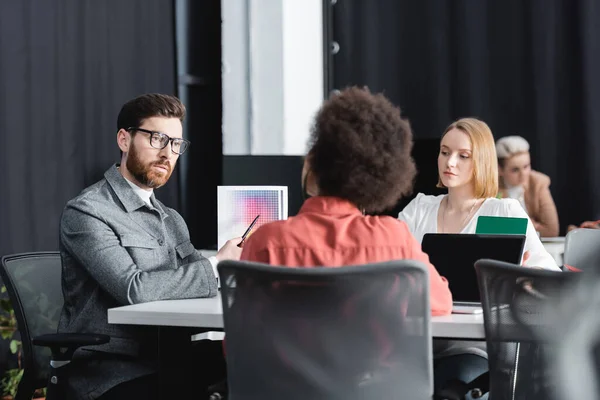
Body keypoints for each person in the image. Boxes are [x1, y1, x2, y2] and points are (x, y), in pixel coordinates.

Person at [58, 93, 242, 399]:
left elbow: (203, 282)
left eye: (175, 144)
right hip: (110, 372)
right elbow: (134, 288)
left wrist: (244, 272)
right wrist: (217, 265)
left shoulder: (171, 219)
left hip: (169, 358)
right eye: (157, 138)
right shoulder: (87, 212)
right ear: (124, 139)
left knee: (253, 362)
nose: (167, 153)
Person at [240, 86, 452, 313]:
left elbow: (240, 335)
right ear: (386, 175)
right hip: (371, 350)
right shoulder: (394, 239)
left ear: (313, 164)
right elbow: (441, 304)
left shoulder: (265, 242)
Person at [398, 118, 559, 271]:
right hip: (425, 300)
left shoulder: (503, 212)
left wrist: (523, 277)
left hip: (488, 301)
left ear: (481, 161)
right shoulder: (419, 208)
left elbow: (548, 272)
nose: (450, 162)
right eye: (445, 152)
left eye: (463, 156)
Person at [496, 135, 559, 237]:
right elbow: (488, 228)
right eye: (515, 170)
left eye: (526, 166)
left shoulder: (539, 183)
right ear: (500, 169)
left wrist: (510, 224)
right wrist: (531, 225)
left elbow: (551, 231)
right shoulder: (492, 187)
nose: (523, 174)